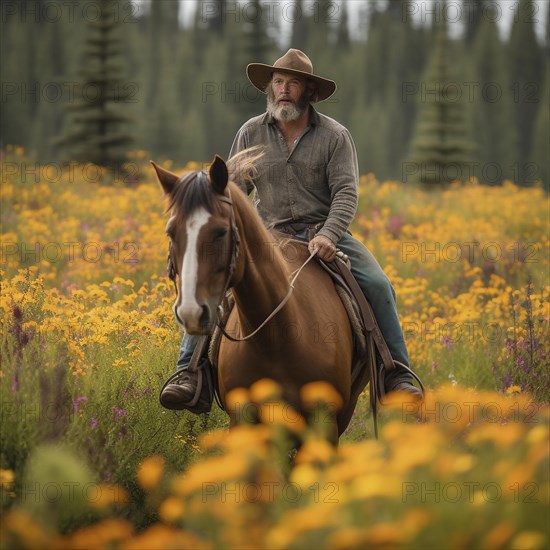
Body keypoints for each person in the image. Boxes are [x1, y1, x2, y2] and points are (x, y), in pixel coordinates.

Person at [160, 49, 422, 410]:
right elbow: (230, 191)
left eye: (292, 83)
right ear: (270, 89)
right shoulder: (251, 132)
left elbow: (346, 192)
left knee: (377, 284)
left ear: (308, 91)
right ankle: (189, 372)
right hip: (267, 236)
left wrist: (329, 235)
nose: (283, 89)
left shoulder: (334, 136)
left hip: (325, 233)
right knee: (216, 282)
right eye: (278, 82)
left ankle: (397, 374)